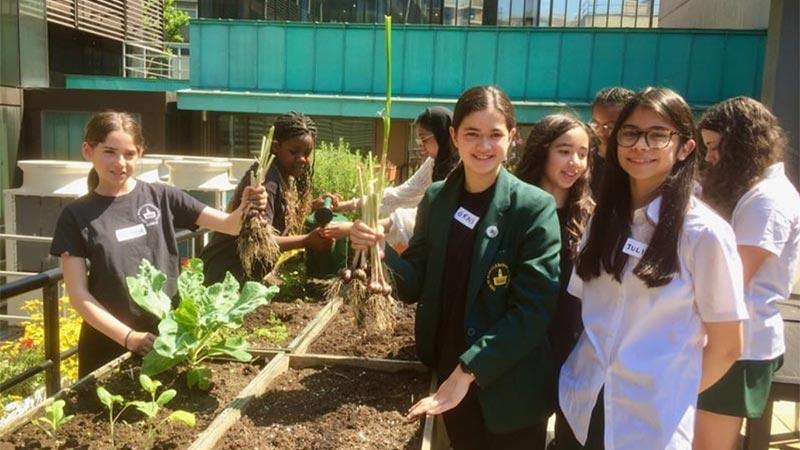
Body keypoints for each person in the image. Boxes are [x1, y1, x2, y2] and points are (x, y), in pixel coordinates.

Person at [350, 86, 561, 449]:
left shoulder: (533, 208)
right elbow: (415, 282)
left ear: (512, 138)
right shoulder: (437, 199)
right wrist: (380, 254)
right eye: (472, 134)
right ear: (454, 137)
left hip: (509, 386)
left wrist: (468, 370)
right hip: (449, 370)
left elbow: (533, 312)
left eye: (495, 135)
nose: (484, 146)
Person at [558, 87, 748, 450]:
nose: (640, 145)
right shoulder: (603, 221)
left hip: (647, 425)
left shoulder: (703, 234)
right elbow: (585, 311)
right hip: (582, 404)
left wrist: (670, 393)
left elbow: (726, 345)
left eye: (658, 134)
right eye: (629, 133)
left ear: (685, 147)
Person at [50, 112, 267, 377]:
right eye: (109, 152)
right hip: (106, 345)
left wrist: (248, 204)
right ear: (88, 150)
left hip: (167, 339)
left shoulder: (162, 196)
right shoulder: (75, 215)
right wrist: (129, 337)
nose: (120, 163)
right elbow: (79, 296)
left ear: (140, 154)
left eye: (129, 154)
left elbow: (230, 225)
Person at [694, 96, 800, 450]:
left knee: (708, 446)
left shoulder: (767, 200)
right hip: (735, 340)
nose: (709, 157)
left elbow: (734, 280)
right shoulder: (758, 191)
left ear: (740, 145)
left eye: (714, 147)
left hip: (741, 346)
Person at [514, 113, 594, 448]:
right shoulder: (515, 207)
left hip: (572, 343)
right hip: (523, 342)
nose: (574, 162)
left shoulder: (591, 214)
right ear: (542, 150)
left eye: (583, 153)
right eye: (564, 151)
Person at [200, 112, 333, 284]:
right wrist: (307, 241)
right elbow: (260, 242)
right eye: (294, 152)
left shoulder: (282, 175)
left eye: (307, 153)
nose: (302, 159)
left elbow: (282, 213)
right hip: (224, 275)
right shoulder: (265, 182)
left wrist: (313, 206)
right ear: (276, 147)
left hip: (238, 276)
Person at [330, 107, 459, 251]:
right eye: (419, 140)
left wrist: (357, 228)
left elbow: (425, 216)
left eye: (424, 139)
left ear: (443, 134)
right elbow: (402, 193)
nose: (421, 146)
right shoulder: (434, 163)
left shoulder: (460, 170)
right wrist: (345, 205)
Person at [588, 87, 634, 199]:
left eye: (611, 126)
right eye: (596, 124)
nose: (602, 132)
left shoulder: (636, 163)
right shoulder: (587, 160)